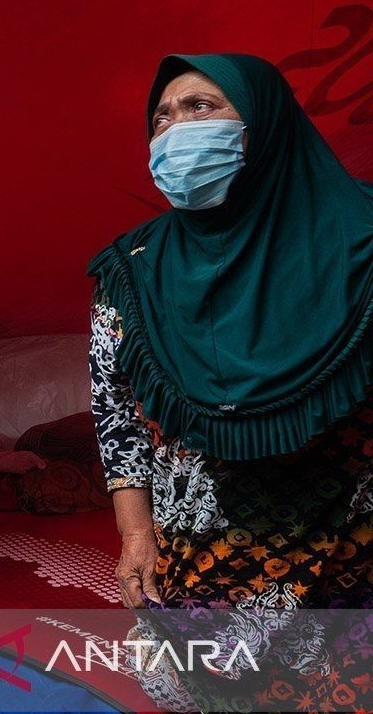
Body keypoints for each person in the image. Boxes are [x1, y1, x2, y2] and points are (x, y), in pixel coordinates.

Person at [89, 54, 373, 710]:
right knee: (187, 686)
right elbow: (114, 408)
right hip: (204, 550)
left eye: (201, 108)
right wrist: (136, 532)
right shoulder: (133, 267)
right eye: (160, 119)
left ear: (264, 124)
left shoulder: (360, 240)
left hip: (347, 547)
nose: (176, 131)